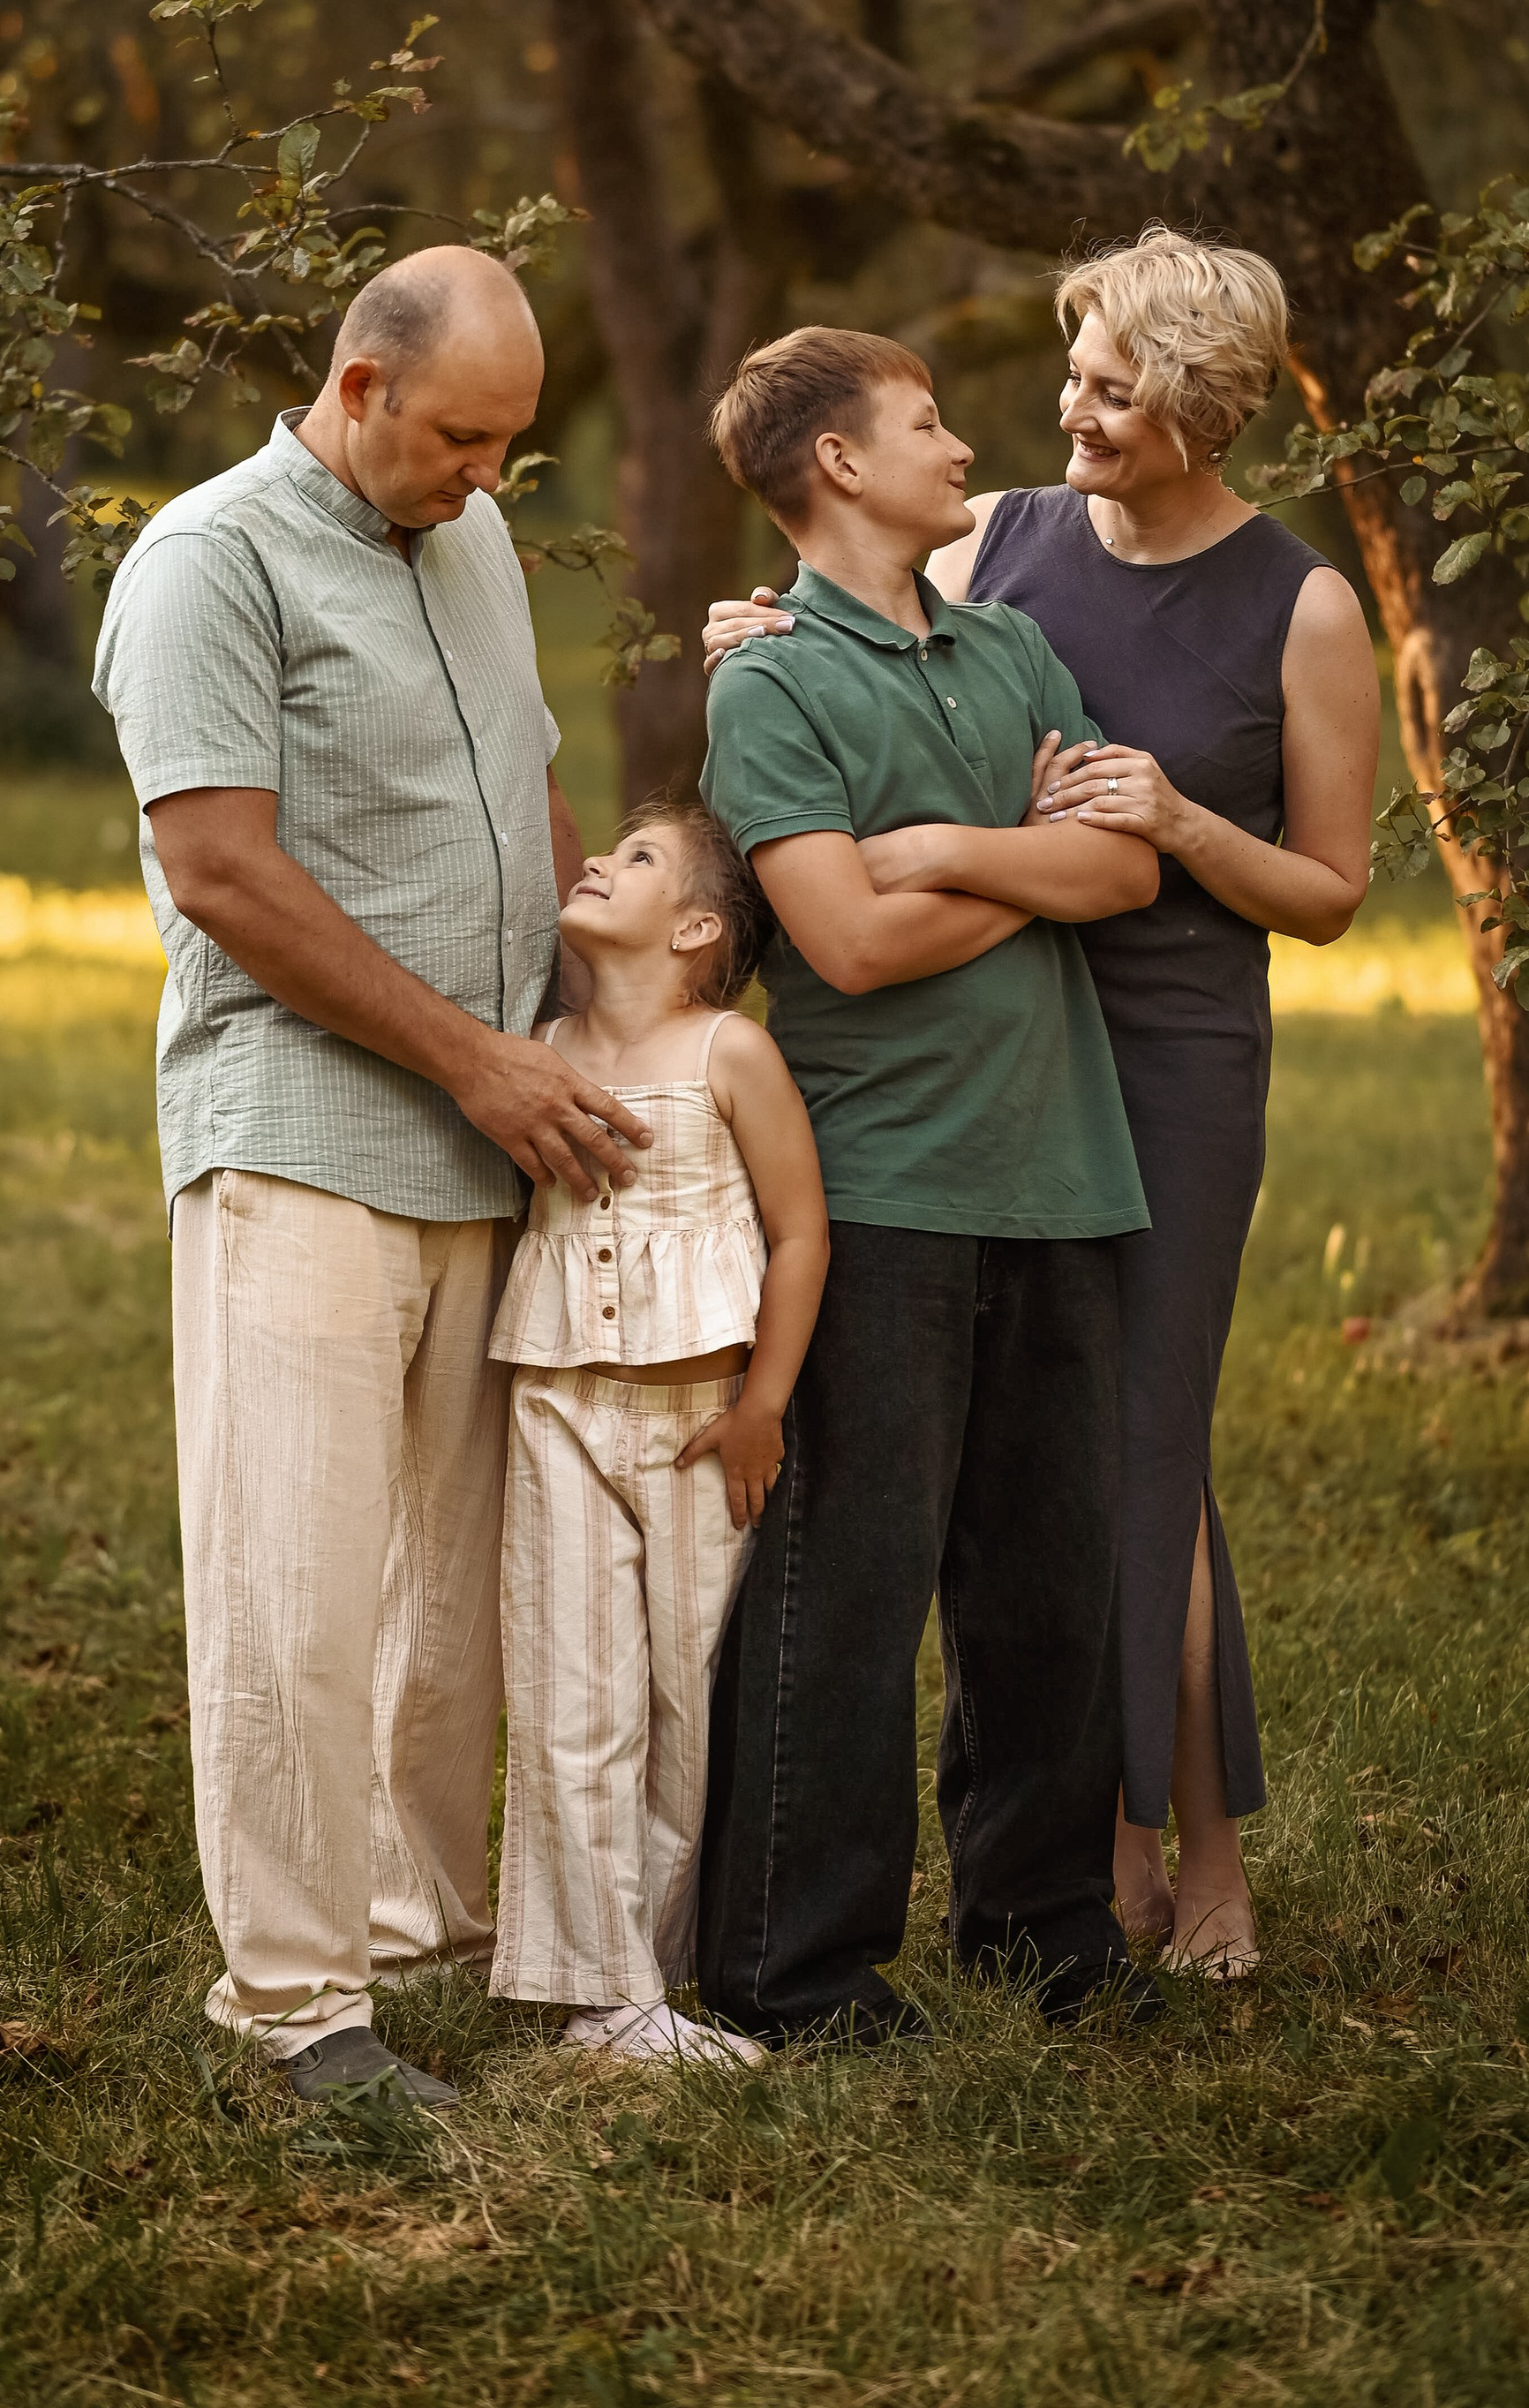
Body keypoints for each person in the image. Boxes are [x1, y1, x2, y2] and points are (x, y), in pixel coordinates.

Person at [704, 231, 1377, 1977]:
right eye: (1069, 378)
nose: (1058, 413)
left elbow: (1282, 886)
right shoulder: (989, 543)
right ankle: (970, 1894)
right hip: (948, 1073)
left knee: (1119, 1473)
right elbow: (849, 663)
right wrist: (759, 640)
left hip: (1154, 1059)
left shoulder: (1275, 608)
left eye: (1108, 389)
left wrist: (1101, 831)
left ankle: (1154, 1873)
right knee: (969, 1512)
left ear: (1200, 409)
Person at [93, 247, 651, 2118]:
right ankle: (290, 2003)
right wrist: (474, 1055)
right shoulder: (207, 561)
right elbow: (221, 872)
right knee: (298, 1583)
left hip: (485, 1142)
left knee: (448, 1593)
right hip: (301, 1134)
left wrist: (584, 1019)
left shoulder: (472, 539)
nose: (488, 476)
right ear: (357, 388)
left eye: (511, 444)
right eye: (462, 439)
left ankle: (413, 1932)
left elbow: (530, 791)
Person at [695, 326, 1163, 2048]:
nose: (962, 447)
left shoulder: (1012, 642)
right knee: (848, 1587)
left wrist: (963, 857)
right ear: (837, 461)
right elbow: (844, 940)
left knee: (1050, 1588)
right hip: (878, 1189)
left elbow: (1127, 869)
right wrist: (1040, 868)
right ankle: (791, 1967)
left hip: (1062, 1169)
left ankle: (1039, 1932)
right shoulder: (767, 683)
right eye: (924, 422)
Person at [488, 799, 829, 2069]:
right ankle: (600, 1994)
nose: (598, 860)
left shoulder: (731, 1054)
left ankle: (656, 1972)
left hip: (701, 1429)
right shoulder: (540, 1051)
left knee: (689, 1708)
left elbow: (801, 1233)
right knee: (572, 1699)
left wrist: (763, 1406)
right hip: (559, 1410)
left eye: (639, 858)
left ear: (695, 930)